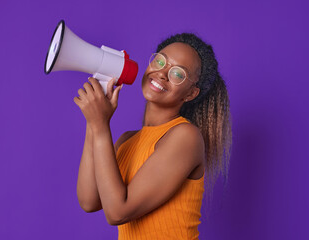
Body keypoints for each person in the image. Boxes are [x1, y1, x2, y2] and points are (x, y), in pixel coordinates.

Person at [74, 33, 232, 239]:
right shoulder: (126, 140)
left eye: (177, 74)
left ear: (191, 93)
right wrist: (93, 123)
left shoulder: (185, 137)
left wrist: (101, 124)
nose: (162, 73)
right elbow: (89, 201)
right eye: (160, 61)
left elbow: (118, 212)